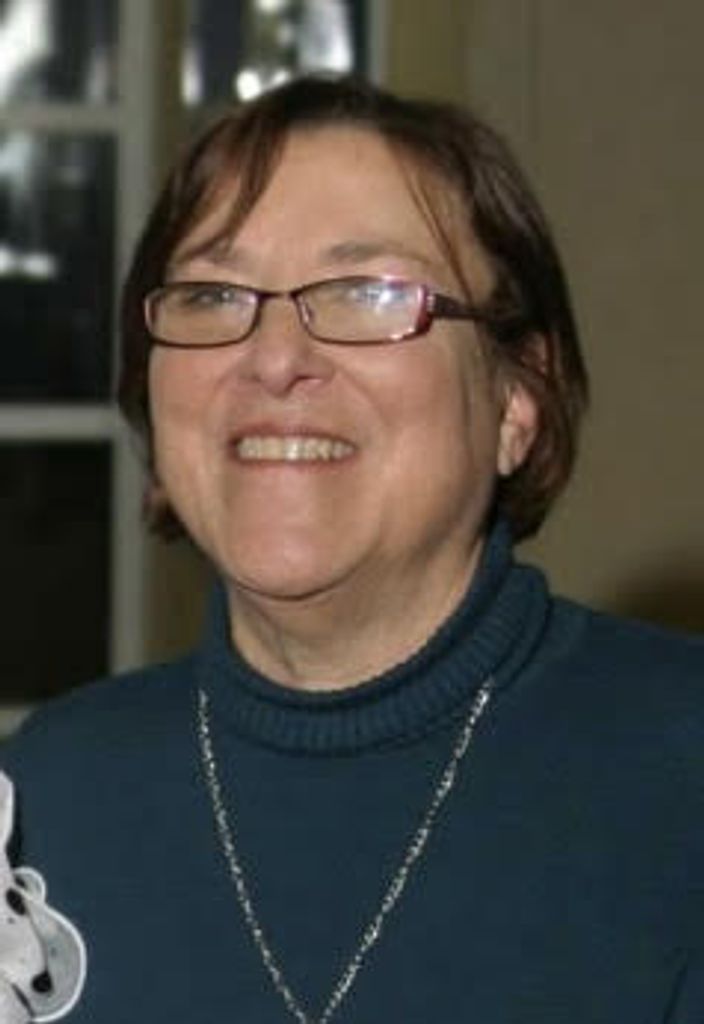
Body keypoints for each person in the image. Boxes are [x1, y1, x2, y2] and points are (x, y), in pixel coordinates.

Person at [2, 74, 703, 1023]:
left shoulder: (680, 775)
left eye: (368, 293)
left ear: (515, 398)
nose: (274, 358)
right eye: (213, 294)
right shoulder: (44, 803)